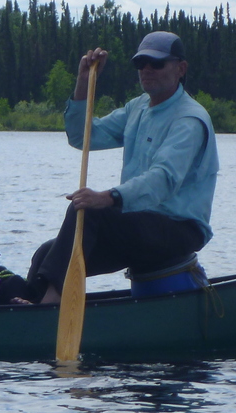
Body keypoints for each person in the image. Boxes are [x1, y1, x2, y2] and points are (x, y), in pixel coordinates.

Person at [29, 31, 219, 305]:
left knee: (88, 211)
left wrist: (108, 197)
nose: (147, 70)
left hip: (180, 229)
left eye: (156, 64)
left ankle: (51, 303)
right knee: (48, 253)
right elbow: (84, 137)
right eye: (141, 63)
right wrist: (83, 81)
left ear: (181, 68)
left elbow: (163, 179)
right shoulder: (137, 108)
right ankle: (27, 307)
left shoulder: (189, 119)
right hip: (139, 227)